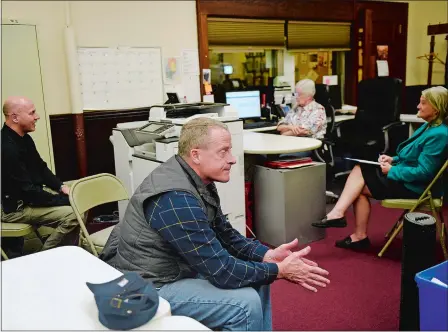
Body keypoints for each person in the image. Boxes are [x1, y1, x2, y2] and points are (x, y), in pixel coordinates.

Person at [100, 117, 330, 331]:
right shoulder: (176, 198)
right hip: (151, 284)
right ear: (196, 155)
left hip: (175, 267)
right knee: (245, 304)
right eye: (224, 151)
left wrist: (265, 255)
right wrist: (279, 270)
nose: (232, 158)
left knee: (258, 277)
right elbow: (223, 272)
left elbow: (226, 234)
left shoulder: (195, 177)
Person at [312, 86, 448, 250]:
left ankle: (347, 223)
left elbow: (425, 172)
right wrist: (394, 159)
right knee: (359, 177)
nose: (418, 106)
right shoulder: (430, 126)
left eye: (423, 103)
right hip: (408, 180)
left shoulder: (439, 134)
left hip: (416, 188)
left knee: (358, 179)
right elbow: (414, 156)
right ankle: (348, 225)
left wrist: (393, 170)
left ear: (436, 108)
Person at [1, 96, 79, 251]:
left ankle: (64, 254)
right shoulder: (6, 149)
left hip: (26, 198)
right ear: (15, 118)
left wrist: (61, 186)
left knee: (78, 202)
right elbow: (28, 192)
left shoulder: (24, 139)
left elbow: (41, 168)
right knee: (74, 213)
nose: (37, 117)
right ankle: (47, 256)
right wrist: (63, 200)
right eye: (32, 113)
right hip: (13, 209)